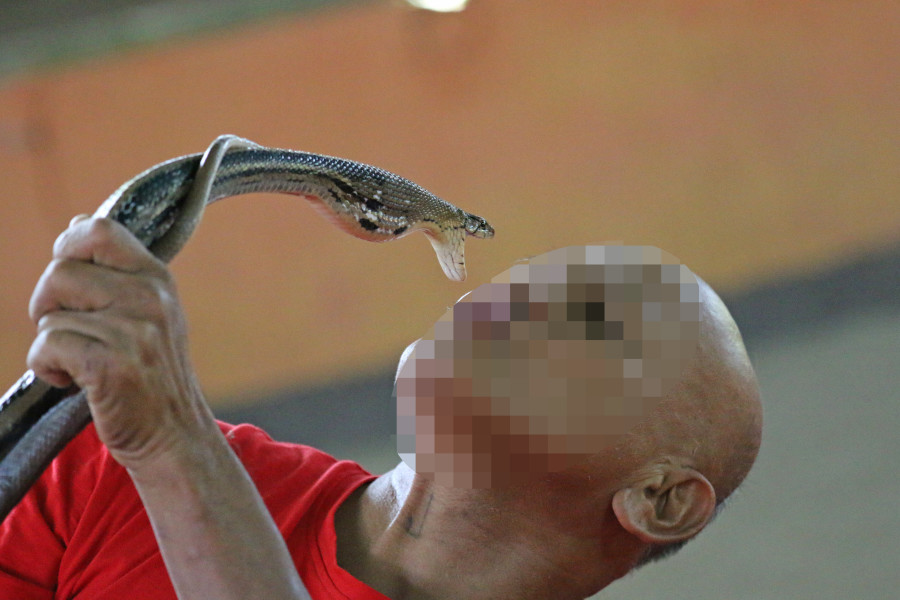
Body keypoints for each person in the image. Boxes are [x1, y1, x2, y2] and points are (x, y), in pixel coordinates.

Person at [0, 217, 762, 600]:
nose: (493, 303)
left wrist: (175, 444)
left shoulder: (162, 454)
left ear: (661, 501)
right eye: (520, 283)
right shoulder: (107, 466)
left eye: (593, 320)